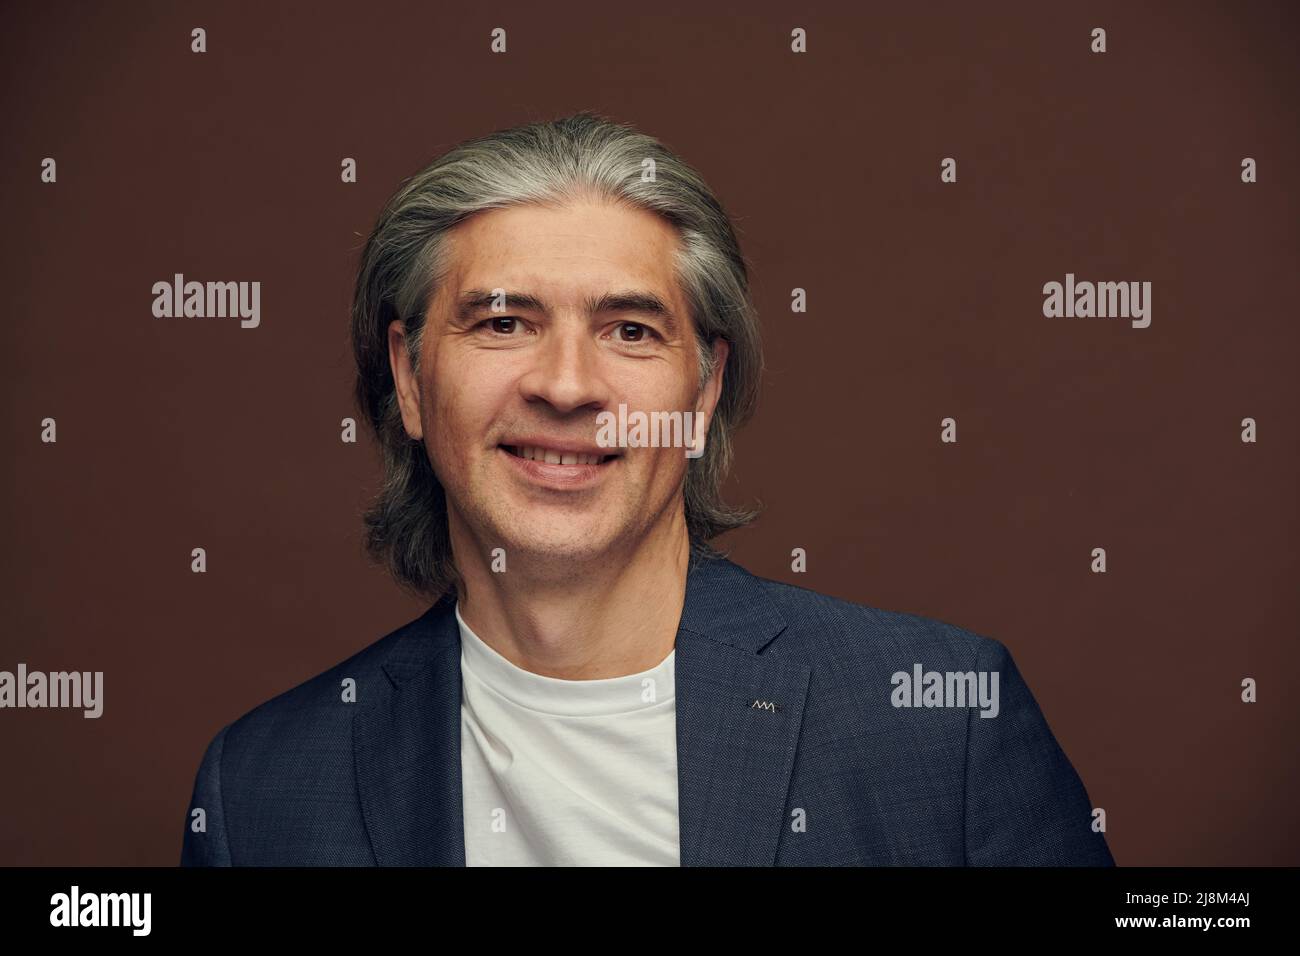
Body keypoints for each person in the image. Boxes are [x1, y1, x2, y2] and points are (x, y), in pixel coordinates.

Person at [180, 111, 1113, 866]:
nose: (568, 384)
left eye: (630, 330)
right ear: (413, 379)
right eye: (504, 323)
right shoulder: (260, 788)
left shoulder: (940, 724)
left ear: (702, 391)